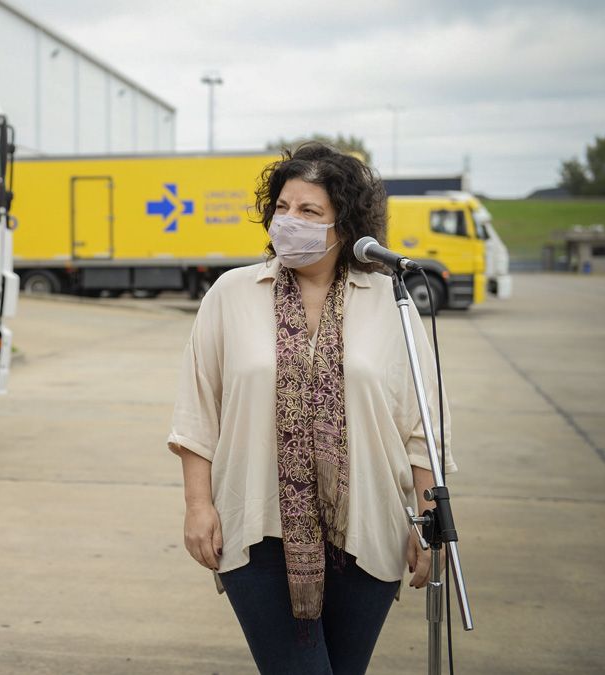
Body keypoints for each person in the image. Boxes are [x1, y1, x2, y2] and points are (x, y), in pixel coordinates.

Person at [167, 143, 457, 674]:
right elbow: (197, 410)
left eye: (309, 212)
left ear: (344, 226)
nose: (289, 221)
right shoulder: (232, 294)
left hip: (367, 534)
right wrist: (197, 505)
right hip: (256, 529)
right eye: (281, 207)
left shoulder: (389, 300)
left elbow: (422, 424)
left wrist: (427, 516)